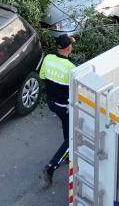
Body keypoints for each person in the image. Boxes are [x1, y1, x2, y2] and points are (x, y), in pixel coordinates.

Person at [40, 34, 77, 187]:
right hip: (64, 106)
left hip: (51, 102)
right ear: (68, 48)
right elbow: (76, 90)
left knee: (66, 126)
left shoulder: (48, 58)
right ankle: (51, 166)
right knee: (73, 137)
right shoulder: (71, 68)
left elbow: (42, 76)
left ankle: (67, 155)